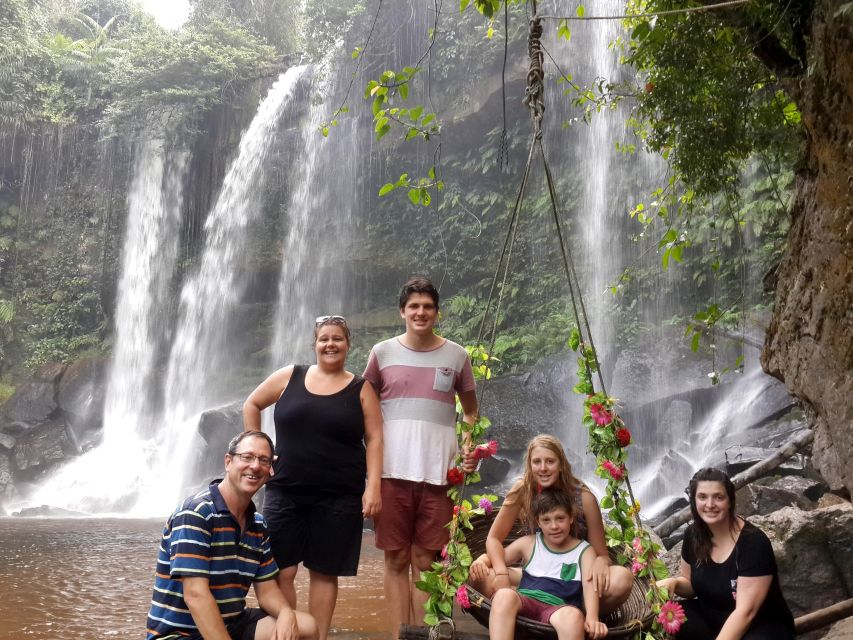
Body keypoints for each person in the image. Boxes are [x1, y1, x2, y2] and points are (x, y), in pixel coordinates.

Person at [243, 315, 383, 640]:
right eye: (324, 339)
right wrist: (258, 452)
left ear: (348, 345)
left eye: (337, 338)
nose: (330, 344)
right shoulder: (290, 376)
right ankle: (287, 633)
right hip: (285, 491)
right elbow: (252, 403)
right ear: (315, 344)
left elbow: (375, 439)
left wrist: (372, 487)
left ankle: (317, 636)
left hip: (338, 496)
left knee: (323, 573)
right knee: (280, 570)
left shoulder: (361, 388)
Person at [362, 276, 479, 638]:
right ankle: (401, 634)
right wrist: (369, 478)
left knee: (426, 562)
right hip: (392, 473)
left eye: (428, 306)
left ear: (437, 313)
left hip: (439, 474)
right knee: (396, 559)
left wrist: (468, 448)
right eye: (414, 306)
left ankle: (423, 634)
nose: (421, 312)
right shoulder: (381, 353)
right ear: (402, 312)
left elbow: (472, 411)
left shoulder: (457, 356)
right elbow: (366, 411)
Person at [145, 431, 318, 640]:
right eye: (247, 457)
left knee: (305, 627)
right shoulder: (196, 512)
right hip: (179, 634)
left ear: (270, 469)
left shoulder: (258, 525)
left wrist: (285, 613)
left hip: (231, 625)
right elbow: (196, 595)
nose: (255, 466)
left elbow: (267, 590)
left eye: (263, 460)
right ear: (228, 461)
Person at [469, 434, 633, 613]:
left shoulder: (584, 498)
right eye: (537, 462)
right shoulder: (523, 491)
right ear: (529, 465)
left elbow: (601, 554)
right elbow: (493, 538)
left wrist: (602, 561)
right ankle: (527, 605)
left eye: (550, 461)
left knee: (622, 579)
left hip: (577, 580)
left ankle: (576, 612)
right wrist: (499, 571)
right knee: (481, 578)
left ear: (561, 464)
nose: (543, 468)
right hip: (535, 576)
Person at [657, 467, 795, 640]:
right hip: (711, 617)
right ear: (693, 500)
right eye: (702, 497)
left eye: (718, 497)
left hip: (758, 626)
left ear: (730, 500)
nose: (710, 504)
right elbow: (690, 585)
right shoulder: (693, 535)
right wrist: (675, 583)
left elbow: (746, 613)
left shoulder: (753, 544)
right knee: (665, 616)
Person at [489, 489, 608, 640]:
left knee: (573, 617)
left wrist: (592, 617)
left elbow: (591, 586)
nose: (554, 526)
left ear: (571, 517)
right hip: (526, 600)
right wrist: (482, 560)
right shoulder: (530, 543)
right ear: (538, 521)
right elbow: (497, 557)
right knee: (503, 596)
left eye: (560, 518)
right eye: (546, 520)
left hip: (559, 607)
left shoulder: (584, 551)